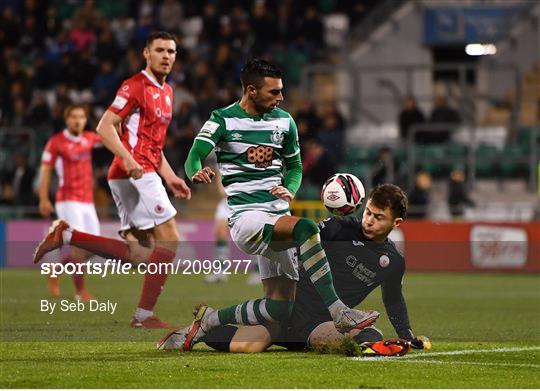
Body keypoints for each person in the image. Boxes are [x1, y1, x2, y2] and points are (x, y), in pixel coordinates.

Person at [178, 58, 379, 352]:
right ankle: (340, 311)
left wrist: (290, 188)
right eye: (273, 92)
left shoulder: (285, 122)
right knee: (308, 227)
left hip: (277, 217)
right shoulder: (221, 119)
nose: (281, 97)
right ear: (251, 90)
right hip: (247, 218)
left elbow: (295, 165)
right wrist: (194, 171)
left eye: (281, 91)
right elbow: (194, 154)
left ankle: (210, 320)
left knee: (279, 308)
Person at [33, 31, 191, 329]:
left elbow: (154, 146)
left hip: (139, 170)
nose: (167, 56)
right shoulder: (135, 86)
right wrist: (130, 160)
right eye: (160, 50)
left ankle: (68, 236)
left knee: (141, 253)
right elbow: (105, 126)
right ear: (146, 53)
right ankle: (143, 316)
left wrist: (171, 177)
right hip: (135, 171)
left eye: (171, 51)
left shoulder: (167, 92)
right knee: (170, 240)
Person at [159, 184, 430, 354]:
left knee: (368, 336)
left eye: (379, 217)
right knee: (244, 346)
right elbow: (300, 239)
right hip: (290, 305)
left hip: (321, 322)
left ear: (397, 223)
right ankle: (200, 328)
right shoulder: (340, 228)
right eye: (369, 212)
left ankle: (374, 347)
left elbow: (393, 299)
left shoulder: (393, 262)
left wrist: (407, 335)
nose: (369, 221)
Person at [38, 104, 101, 300]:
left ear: (85, 119)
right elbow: (46, 171)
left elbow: (110, 138)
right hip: (68, 200)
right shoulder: (56, 142)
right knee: (80, 245)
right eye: (73, 116)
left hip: (87, 201)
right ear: (67, 119)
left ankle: (55, 269)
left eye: (81, 117)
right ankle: (80, 292)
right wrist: (43, 198)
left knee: (95, 247)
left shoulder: (89, 138)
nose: (77, 120)